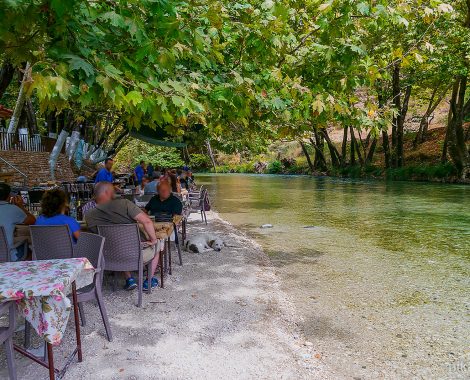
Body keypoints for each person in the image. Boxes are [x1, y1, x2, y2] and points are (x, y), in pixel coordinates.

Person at [85, 182, 160, 291]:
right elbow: (147, 222)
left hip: (109, 257)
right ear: (107, 192)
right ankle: (148, 281)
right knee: (159, 243)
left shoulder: (89, 215)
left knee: (116, 244)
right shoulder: (124, 204)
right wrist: (153, 240)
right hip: (136, 255)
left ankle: (129, 279)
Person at [0, 183, 36, 260]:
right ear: (9, 196)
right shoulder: (13, 209)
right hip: (8, 255)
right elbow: (33, 221)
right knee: (30, 249)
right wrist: (20, 206)